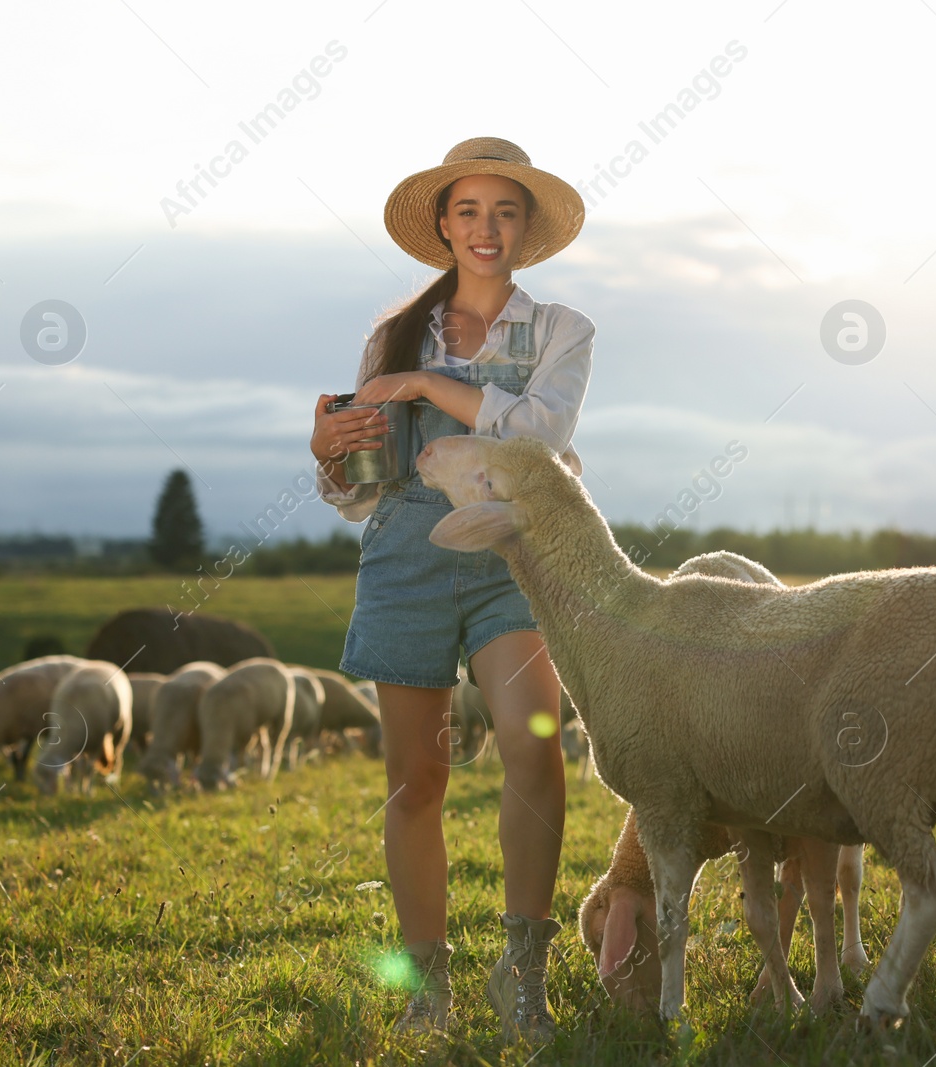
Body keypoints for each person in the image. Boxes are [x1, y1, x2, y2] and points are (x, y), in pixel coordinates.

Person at [309, 137, 592, 1042]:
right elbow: (362, 492)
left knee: (532, 747)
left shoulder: (559, 332)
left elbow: (540, 438)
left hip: (518, 549)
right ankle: (427, 991)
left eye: (505, 211)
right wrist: (327, 451)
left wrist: (430, 383)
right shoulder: (390, 334)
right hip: (406, 557)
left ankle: (525, 975)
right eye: (468, 210)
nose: (486, 228)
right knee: (416, 780)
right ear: (442, 224)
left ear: (527, 229)